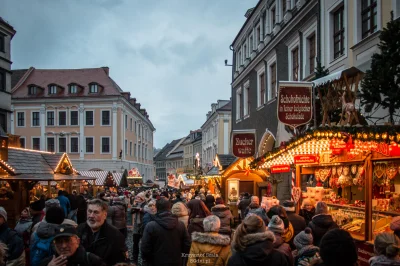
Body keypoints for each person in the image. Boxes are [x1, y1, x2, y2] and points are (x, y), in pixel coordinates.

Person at [141, 198, 191, 266]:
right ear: (170, 208)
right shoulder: (180, 224)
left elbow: (145, 247)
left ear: (156, 208)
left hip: (156, 261)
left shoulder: (151, 225)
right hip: (176, 261)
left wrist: (148, 260)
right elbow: (187, 244)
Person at [77, 199, 126, 266]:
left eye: (96, 212)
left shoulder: (115, 235)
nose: (91, 216)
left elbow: (119, 262)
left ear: (105, 215)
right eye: (89, 211)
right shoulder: (79, 229)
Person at [39, 224, 105, 266]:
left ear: (77, 241)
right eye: (59, 242)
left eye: (68, 240)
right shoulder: (47, 263)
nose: (63, 246)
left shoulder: (92, 261)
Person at [131, 193, 146, 264]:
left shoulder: (145, 204)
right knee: (135, 243)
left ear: (142, 198)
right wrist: (134, 206)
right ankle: (135, 259)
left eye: (138, 198)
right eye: (136, 197)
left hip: (143, 226)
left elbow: (148, 212)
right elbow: (131, 212)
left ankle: (144, 258)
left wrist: (141, 210)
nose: (137, 199)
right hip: (136, 226)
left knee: (144, 243)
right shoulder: (136, 204)